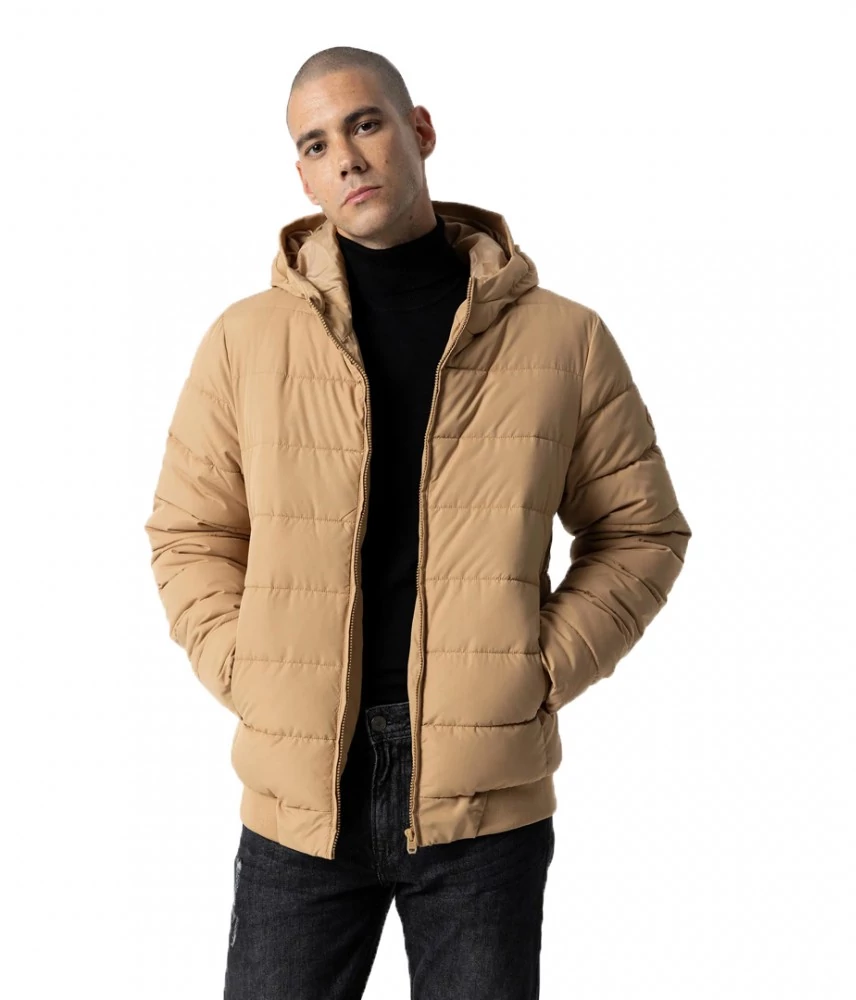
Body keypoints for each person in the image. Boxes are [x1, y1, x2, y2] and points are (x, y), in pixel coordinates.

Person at [144, 44, 692, 1000]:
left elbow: (641, 532)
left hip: (484, 805)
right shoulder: (244, 341)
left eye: (365, 124)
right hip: (300, 796)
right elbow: (190, 534)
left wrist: (535, 672)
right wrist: (250, 672)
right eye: (316, 144)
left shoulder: (563, 338)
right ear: (303, 175)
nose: (347, 158)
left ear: (419, 130)